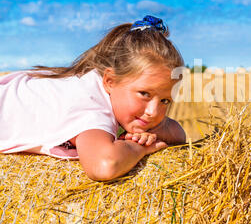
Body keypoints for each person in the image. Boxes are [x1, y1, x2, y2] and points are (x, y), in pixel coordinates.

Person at [0, 15, 186, 181]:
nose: (153, 112)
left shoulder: (111, 89)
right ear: (110, 81)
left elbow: (177, 134)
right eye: (144, 94)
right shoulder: (92, 106)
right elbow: (105, 165)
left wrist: (157, 131)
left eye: (165, 101)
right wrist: (140, 148)